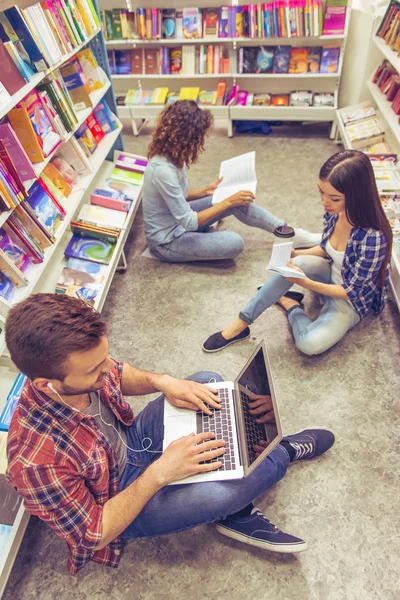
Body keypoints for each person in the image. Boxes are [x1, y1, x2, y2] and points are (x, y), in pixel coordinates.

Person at [5, 294, 334, 574]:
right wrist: (160, 473)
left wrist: (163, 382)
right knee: (236, 483)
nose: (107, 370)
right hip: (118, 499)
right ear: (46, 385)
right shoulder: (35, 461)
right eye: (94, 370)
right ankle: (281, 455)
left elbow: (119, 373)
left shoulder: (82, 364)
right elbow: (94, 533)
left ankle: (241, 479)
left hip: (134, 442)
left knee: (207, 383)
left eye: (105, 357)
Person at [203, 150, 393, 355]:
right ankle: (241, 323)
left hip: (348, 301)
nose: (325, 202)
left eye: (334, 198)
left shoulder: (373, 237)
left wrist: (306, 283)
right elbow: (326, 248)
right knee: (298, 262)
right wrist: (294, 255)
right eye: (321, 192)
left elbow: (350, 292)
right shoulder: (335, 212)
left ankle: (291, 304)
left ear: (356, 196)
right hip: (329, 273)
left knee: (309, 345)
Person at [142, 100, 303, 263]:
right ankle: (201, 239)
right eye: (200, 137)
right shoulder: (163, 171)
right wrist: (227, 203)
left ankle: (286, 231)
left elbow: (179, 195)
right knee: (235, 242)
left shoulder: (174, 155)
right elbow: (189, 221)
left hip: (179, 222)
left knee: (237, 200)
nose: (201, 142)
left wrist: (204, 191)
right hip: (167, 242)